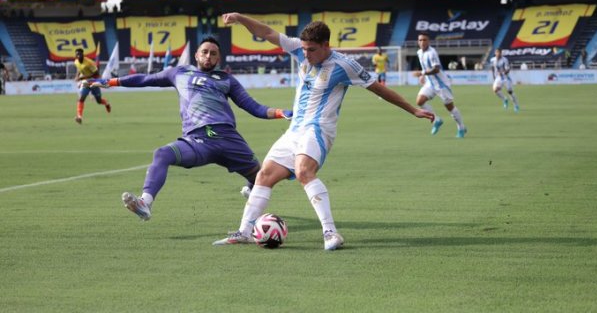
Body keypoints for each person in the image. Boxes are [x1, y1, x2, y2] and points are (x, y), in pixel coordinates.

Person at [213, 13, 434, 250]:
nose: (305, 55)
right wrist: (240, 18)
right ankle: (245, 231)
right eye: (304, 49)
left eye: (311, 50)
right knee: (264, 175)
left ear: (326, 45)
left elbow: (379, 89)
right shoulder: (299, 50)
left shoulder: (345, 65)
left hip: (319, 130)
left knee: (303, 172)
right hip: (295, 130)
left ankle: (331, 233)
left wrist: (413, 109)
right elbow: (266, 32)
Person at [86, 37, 292, 221]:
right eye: (205, 52)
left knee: (261, 177)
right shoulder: (179, 72)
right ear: (196, 55)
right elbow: (145, 79)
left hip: (229, 139)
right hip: (197, 140)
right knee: (162, 154)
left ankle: (252, 188)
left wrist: (280, 112)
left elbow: (254, 107)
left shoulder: (227, 80)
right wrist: (110, 81)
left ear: (219, 58)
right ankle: (145, 203)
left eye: (213, 53)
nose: (208, 56)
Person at [412, 32, 467, 138]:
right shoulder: (419, 52)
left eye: (424, 40)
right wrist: (423, 76)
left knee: (449, 107)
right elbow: (426, 67)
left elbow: (436, 69)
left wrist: (421, 73)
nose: (422, 42)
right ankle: (437, 120)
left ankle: (461, 128)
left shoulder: (432, 53)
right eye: (420, 40)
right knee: (420, 101)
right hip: (430, 83)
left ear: (428, 41)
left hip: (441, 84)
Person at [73, 48, 111, 124]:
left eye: (80, 54)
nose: (78, 55)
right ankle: (79, 117)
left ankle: (106, 103)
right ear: (76, 55)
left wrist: (82, 77)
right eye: (77, 54)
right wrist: (77, 76)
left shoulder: (89, 62)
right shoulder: (76, 62)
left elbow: (96, 73)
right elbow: (79, 69)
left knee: (99, 101)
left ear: (83, 54)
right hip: (86, 83)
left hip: (94, 82)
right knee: (81, 98)